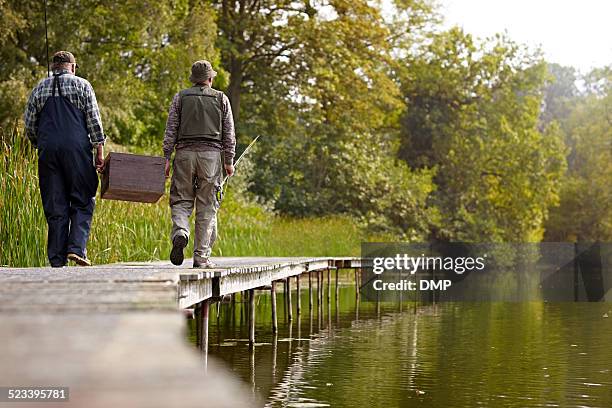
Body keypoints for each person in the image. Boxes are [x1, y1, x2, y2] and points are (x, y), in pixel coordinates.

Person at [24, 51, 105, 267]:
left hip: (48, 150)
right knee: (83, 197)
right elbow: (93, 121)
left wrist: (39, 144)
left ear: (54, 67)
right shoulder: (83, 85)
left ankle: (57, 259)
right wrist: (99, 151)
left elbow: (30, 125)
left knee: (55, 203)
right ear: (73, 67)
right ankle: (76, 248)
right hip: (77, 149)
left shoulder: (40, 87)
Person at [163, 60, 236, 268]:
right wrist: (229, 161)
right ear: (210, 79)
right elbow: (229, 134)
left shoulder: (180, 97)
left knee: (181, 200)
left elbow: (171, 130)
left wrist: (167, 158)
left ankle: (181, 232)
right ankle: (201, 258)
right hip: (211, 157)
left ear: (193, 79)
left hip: (184, 155)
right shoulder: (221, 98)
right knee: (207, 207)